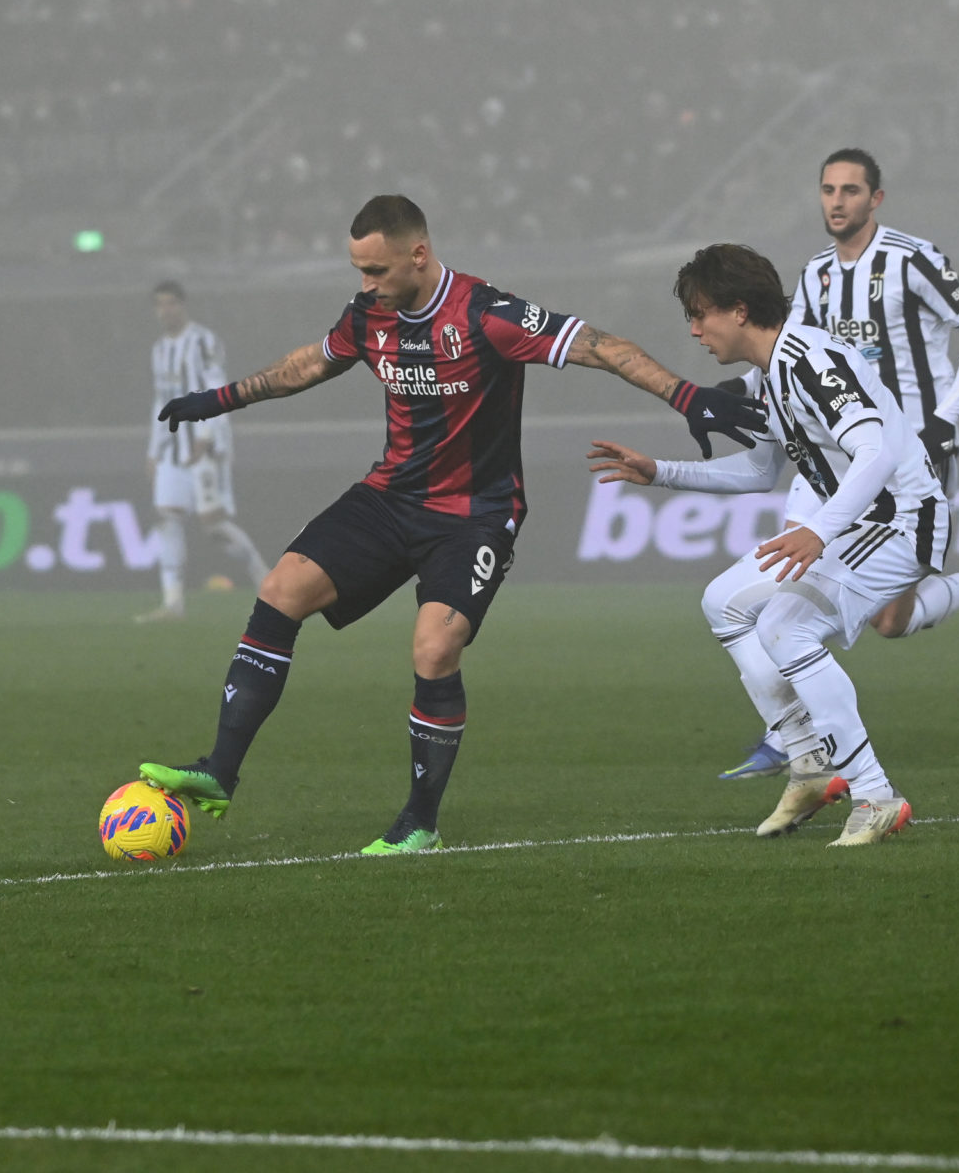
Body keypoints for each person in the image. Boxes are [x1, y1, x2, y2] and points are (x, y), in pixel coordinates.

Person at [138, 195, 766, 854]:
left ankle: (420, 822)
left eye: (376, 270)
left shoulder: (487, 314)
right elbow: (309, 365)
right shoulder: (368, 316)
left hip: (475, 516)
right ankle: (219, 770)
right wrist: (220, 399)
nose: (366, 285)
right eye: (358, 270)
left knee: (434, 648)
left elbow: (599, 345)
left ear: (418, 254)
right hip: (390, 497)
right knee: (279, 591)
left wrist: (685, 395)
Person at [589, 243, 940, 846]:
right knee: (723, 601)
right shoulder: (768, 376)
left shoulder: (810, 358)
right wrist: (662, 471)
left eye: (702, 314)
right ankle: (808, 763)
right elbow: (758, 472)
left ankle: (876, 793)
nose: (695, 330)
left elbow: (876, 449)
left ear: (741, 310)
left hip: (901, 521)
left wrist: (818, 529)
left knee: (785, 627)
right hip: (852, 524)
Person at [718, 147, 959, 781]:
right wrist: (730, 397)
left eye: (851, 190)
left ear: (875, 199)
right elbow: (782, 347)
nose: (837, 200)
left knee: (889, 621)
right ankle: (795, 734)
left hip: (912, 457)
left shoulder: (914, 259)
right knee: (784, 597)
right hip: (837, 457)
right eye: (828, 189)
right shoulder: (816, 274)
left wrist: (947, 415)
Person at [136, 281, 271, 622]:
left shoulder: (203, 341)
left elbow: (216, 387)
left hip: (206, 444)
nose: (165, 311)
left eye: (171, 304)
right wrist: (153, 450)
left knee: (214, 525)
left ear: (182, 305)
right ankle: (173, 604)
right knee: (166, 516)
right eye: (160, 305)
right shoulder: (158, 350)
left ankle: (266, 581)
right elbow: (159, 400)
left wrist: (206, 434)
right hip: (171, 446)